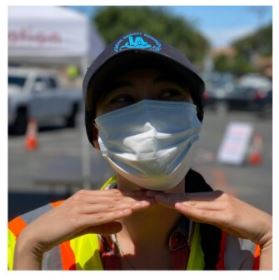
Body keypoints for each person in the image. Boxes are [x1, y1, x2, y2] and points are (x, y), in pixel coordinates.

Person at [8, 32, 272, 270]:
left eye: (168, 94)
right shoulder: (20, 238)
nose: (149, 120)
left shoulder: (253, 245)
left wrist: (272, 238)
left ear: (196, 120)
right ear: (96, 133)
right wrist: (29, 252)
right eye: (123, 99)